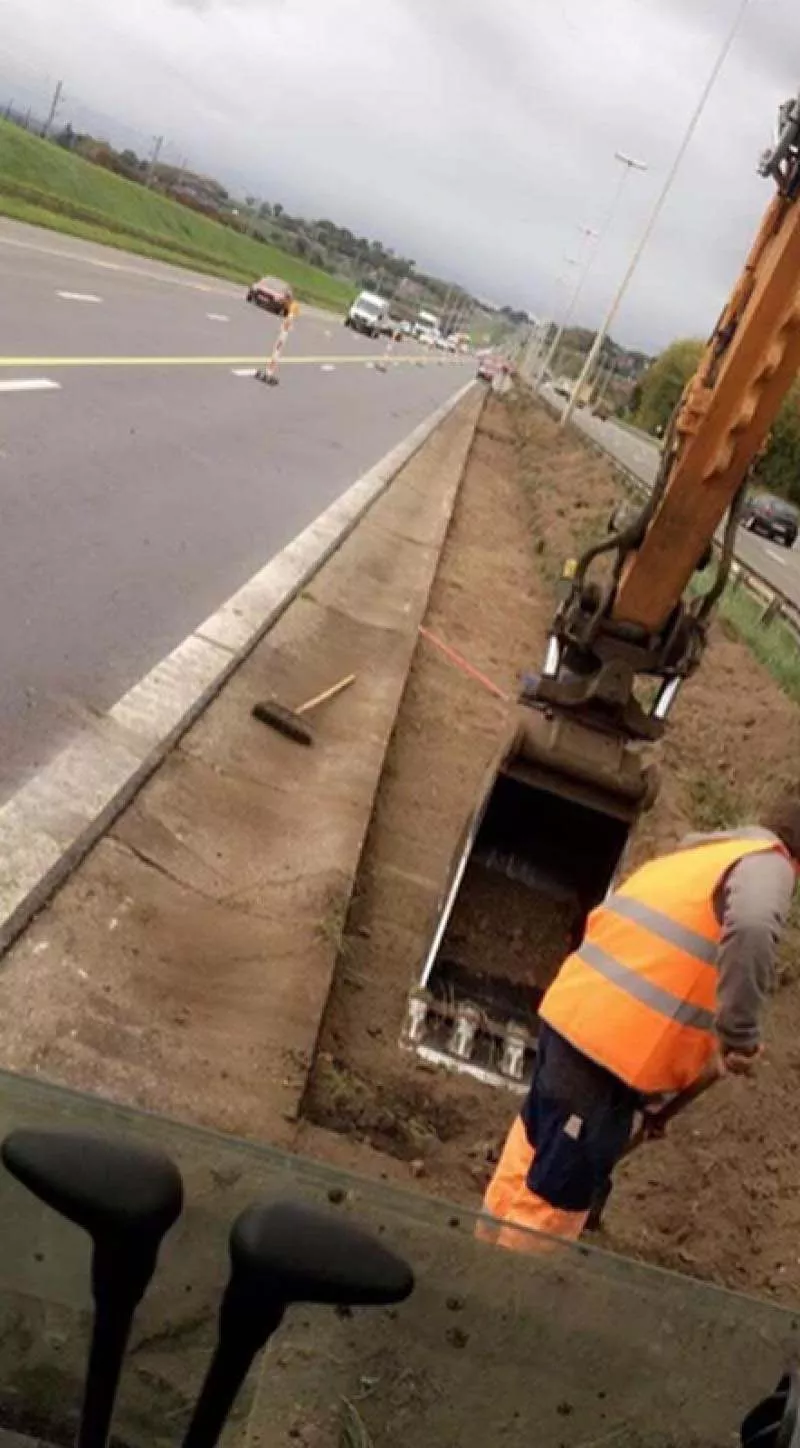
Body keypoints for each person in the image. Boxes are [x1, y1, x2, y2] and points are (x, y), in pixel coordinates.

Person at [477, 797, 800, 1250]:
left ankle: (474, 1260)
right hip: (604, 1061)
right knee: (554, 1201)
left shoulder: (704, 855)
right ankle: (500, 1299)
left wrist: (648, 1099)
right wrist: (739, 1035)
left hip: (576, 1028)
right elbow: (751, 927)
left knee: (528, 1157)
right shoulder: (770, 866)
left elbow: (666, 970)